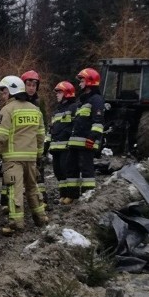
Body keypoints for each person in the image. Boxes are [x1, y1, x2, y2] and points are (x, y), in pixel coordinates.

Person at [0, 76, 48, 235]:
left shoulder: (8, 109)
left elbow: (1, 136)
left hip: (13, 159)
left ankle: (16, 224)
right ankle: (41, 218)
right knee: (33, 188)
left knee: (15, 191)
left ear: (12, 91)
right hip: (31, 158)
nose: (3, 96)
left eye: (4, 92)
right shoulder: (35, 110)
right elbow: (41, 136)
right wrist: (38, 155)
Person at [65, 67, 104, 202]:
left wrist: (92, 138)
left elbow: (98, 122)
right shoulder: (82, 102)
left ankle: (88, 196)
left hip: (87, 142)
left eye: (82, 80)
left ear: (89, 81)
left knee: (87, 170)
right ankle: (72, 195)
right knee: (71, 168)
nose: (80, 83)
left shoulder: (96, 100)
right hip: (75, 143)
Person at [20, 70, 49, 208]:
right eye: (29, 84)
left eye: (34, 85)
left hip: (33, 146)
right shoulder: (17, 101)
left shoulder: (38, 103)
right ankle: (7, 202)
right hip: (19, 146)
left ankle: (42, 201)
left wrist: (41, 148)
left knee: (38, 175)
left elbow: (41, 128)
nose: (31, 88)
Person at [47, 80, 78, 204]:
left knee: (67, 171)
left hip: (67, 147)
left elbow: (77, 125)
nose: (57, 95)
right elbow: (51, 129)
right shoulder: (57, 111)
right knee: (58, 171)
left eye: (59, 92)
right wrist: (46, 144)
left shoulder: (73, 108)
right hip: (56, 148)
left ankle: (71, 195)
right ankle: (63, 194)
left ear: (67, 94)